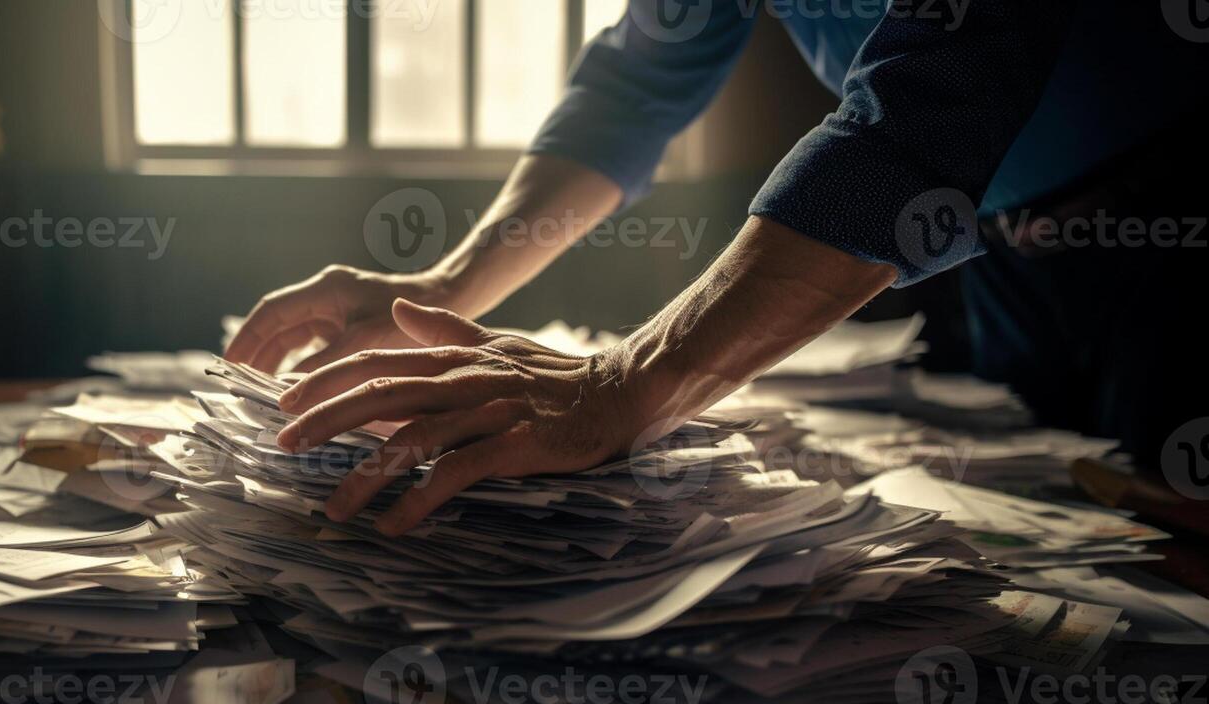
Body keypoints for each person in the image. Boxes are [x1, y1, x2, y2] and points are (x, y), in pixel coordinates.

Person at [225, 0, 1207, 536]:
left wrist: (625, 381)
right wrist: (441, 293)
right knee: (1068, 546)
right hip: (995, 244)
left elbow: (929, 104)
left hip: (1176, 221)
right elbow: (632, 89)